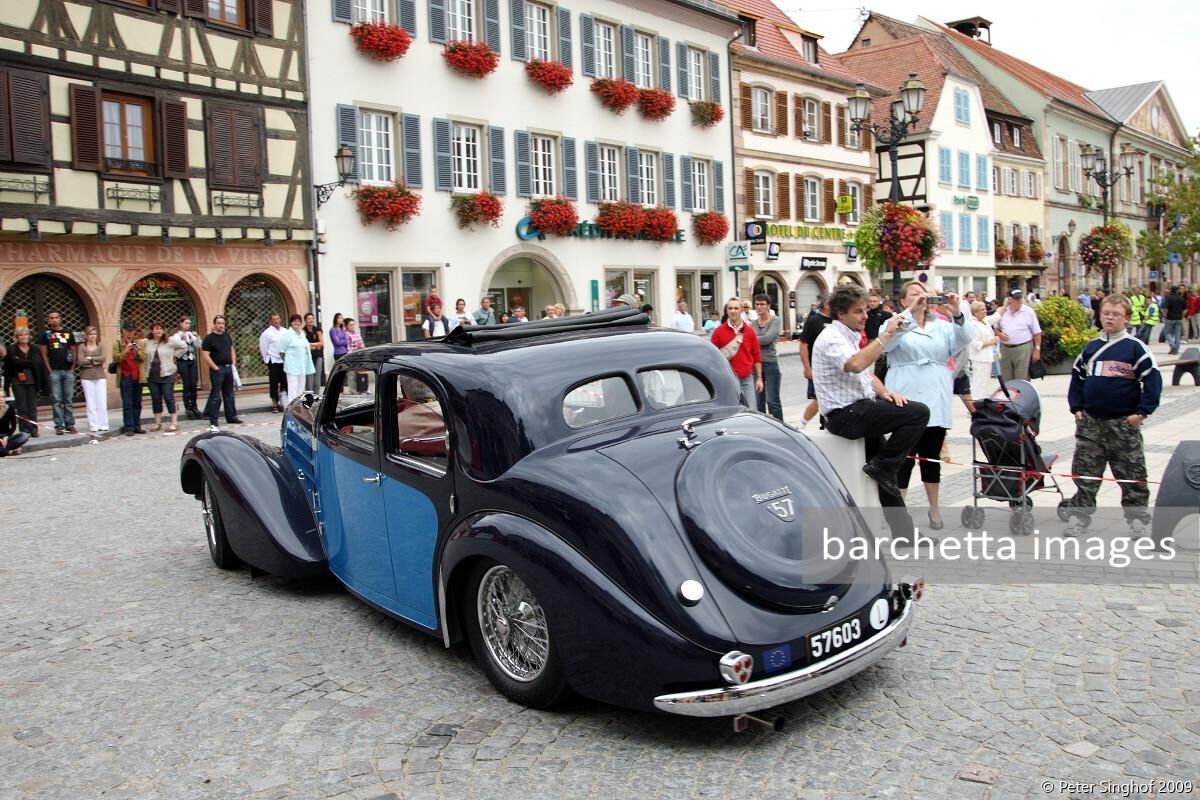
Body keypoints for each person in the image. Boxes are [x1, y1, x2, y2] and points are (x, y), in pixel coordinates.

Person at [811, 285, 928, 540]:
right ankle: (884, 467)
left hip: (857, 409)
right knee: (918, 413)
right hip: (846, 415)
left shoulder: (848, 334)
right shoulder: (832, 337)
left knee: (886, 478)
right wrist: (884, 337)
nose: (865, 316)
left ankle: (904, 534)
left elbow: (867, 373)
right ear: (841, 314)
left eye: (865, 310)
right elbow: (855, 364)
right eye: (858, 312)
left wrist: (885, 393)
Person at [1062, 294, 1161, 536]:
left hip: (1123, 424)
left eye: (1116, 314)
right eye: (1106, 313)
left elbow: (1153, 383)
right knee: (1085, 474)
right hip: (1091, 424)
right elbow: (1077, 379)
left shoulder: (1136, 349)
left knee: (1132, 475)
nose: (1110, 318)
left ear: (1126, 318)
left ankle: (1137, 521)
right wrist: (1077, 408)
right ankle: (1079, 517)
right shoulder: (1091, 348)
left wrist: (1141, 414)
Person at [882, 283, 973, 529]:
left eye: (923, 292)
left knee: (930, 456)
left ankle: (934, 508)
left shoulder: (942, 326)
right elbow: (887, 343)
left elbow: (965, 339)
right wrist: (910, 312)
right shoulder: (895, 321)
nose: (920, 296)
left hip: (935, 393)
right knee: (904, 458)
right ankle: (899, 513)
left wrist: (957, 312)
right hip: (905, 392)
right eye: (913, 293)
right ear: (902, 301)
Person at [709, 297, 762, 407]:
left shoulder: (750, 331)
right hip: (727, 379)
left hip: (746, 378)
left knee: (751, 410)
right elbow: (712, 357)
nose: (733, 311)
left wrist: (759, 379)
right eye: (730, 308)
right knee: (729, 412)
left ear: (741, 310)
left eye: (736, 308)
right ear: (726, 310)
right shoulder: (718, 332)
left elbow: (756, 356)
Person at [39, 310, 79, 434]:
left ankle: (69, 424)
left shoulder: (68, 333)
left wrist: (73, 366)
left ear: (60, 318)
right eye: (51, 318)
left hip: (67, 371)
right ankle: (58, 425)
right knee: (57, 399)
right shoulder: (45, 335)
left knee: (68, 399)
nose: (54, 320)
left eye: (56, 317)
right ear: (49, 320)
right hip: (55, 370)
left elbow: (73, 350)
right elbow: (43, 354)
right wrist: (49, 369)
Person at [144, 320, 187, 432]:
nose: (158, 330)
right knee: (156, 398)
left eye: (160, 328)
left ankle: (174, 422)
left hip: (167, 374)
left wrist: (175, 355)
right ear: (152, 330)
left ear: (163, 330)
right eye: (156, 328)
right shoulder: (147, 342)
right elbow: (137, 346)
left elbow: (184, 346)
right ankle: (157, 423)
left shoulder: (170, 341)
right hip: (152, 375)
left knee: (169, 397)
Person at [201, 315, 242, 432]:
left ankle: (231, 416)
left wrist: (233, 363)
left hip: (228, 368)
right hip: (217, 369)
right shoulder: (209, 338)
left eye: (223, 323)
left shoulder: (226, 336)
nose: (221, 325)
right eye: (219, 323)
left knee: (229, 394)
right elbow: (205, 355)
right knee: (216, 395)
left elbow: (231, 349)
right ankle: (214, 419)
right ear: (214, 324)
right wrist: (215, 367)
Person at [3, 326, 46, 437]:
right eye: (21, 335)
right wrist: (29, 362)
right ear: (17, 337)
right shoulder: (12, 349)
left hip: (32, 380)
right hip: (17, 380)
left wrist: (21, 361)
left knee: (32, 407)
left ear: (29, 336)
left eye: (25, 334)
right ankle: (24, 430)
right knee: (22, 407)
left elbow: (38, 363)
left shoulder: (34, 348)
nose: (24, 337)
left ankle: (33, 429)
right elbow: (12, 363)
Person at [990, 289, 1042, 381]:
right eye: (1016, 298)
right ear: (1009, 299)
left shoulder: (1028, 311)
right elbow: (995, 328)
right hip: (1005, 348)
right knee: (1006, 377)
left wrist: (1037, 349)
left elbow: (1037, 332)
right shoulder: (1002, 311)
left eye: (1020, 298)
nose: (1019, 301)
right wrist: (999, 334)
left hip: (1023, 347)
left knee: (1022, 377)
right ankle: (1009, 394)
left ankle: (1022, 395)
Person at [798, 297, 833, 428]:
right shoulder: (814, 321)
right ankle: (802, 424)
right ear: (824, 305)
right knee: (820, 398)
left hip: (834, 367)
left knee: (828, 399)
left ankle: (825, 424)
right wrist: (807, 367)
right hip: (818, 368)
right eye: (831, 303)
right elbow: (803, 344)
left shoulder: (838, 321)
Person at [752, 294, 783, 420]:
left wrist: (753, 339)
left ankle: (781, 427)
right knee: (759, 402)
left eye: (762, 304)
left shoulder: (775, 320)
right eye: (757, 304)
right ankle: (763, 427)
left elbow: (768, 339)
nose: (759, 307)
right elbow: (751, 340)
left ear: (768, 306)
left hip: (770, 363)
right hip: (756, 365)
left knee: (772, 400)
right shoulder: (753, 323)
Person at [113, 320, 146, 436]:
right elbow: (116, 358)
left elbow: (143, 357)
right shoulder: (118, 343)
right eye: (128, 331)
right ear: (123, 331)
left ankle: (137, 425)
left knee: (137, 403)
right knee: (127, 403)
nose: (130, 333)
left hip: (137, 376)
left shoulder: (139, 343)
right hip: (125, 376)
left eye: (132, 331)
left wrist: (137, 352)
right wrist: (125, 351)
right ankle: (129, 427)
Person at [77, 326, 109, 433]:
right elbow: (81, 361)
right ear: (86, 336)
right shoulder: (82, 346)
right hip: (86, 376)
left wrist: (90, 359)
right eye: (90, 334)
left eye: (94, 334)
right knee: (91, 402)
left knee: (101, 401)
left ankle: (103, 424)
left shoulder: (101, 346)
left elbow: (103, 358)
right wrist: (96, 361)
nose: (93, 336)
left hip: (100, 376)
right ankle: (93, 425)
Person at [280, 314, 315, 405]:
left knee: (300, 388)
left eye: (298, 321)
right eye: (294, 321)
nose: (297, 322)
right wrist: (287, 361)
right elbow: (282, 351)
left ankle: (299, 407)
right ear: (291, 322)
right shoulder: (287, 334)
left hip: (302, 365)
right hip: (292, 366)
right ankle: (291, 408)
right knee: (292, 388)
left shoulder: (302, 334)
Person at [967, 301, 1000, 401]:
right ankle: (974, 405)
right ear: (975, 312)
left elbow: (996, 316)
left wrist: (1006, 305)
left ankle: (981, 404)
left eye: (985, 309)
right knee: (977, 383)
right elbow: (976, 344)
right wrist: (992, 341)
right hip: (978, 358)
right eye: (982, 309)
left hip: (987, 357)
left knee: (985, 383)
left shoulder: (984, 322)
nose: (985, 311)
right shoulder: (973, 325)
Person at [171, 316, 203, 420]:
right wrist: (183, 342)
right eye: (186, 323)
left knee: (193, 384)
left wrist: (197, 336)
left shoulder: (190, 334)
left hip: (191, 360)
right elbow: (175, 348)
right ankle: (187, 407)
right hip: (182, 361)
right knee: (187, 384)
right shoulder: (176, 336)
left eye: (189, 323)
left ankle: (194, 407)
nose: (188, 325)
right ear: (180, 323)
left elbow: (199, 345)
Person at [259, 312, 286, 412]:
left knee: (284, 383)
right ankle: (274, 404)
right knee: (274, 384)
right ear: (271, 321)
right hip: (273, 360)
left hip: (283, 361)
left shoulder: (285, 331)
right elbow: (263, 347)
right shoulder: (267, 333)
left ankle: (283, 402)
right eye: (274, 319)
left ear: (280, 319)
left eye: (278, 318)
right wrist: (267, 359)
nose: (276, 321)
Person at [303, 313, 324, 391]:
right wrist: (315, 345)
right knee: (309, 378)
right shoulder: (303, 331)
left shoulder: (318, 330)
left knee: (317, 378)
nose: (311, 320)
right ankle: (310, 397)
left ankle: (316, 396)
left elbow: (321, 343)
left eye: (312, 318)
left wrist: (310, 345)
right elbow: (304, 344)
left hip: (318, 355)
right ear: (305, 320)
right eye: (309, 319)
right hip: (308, 356)